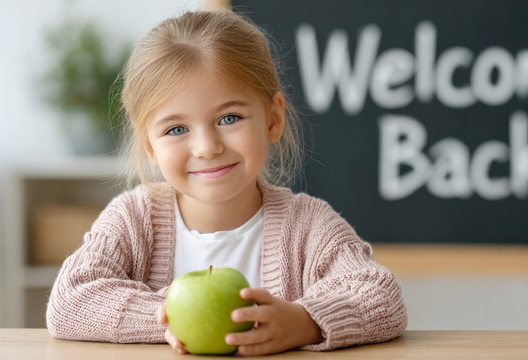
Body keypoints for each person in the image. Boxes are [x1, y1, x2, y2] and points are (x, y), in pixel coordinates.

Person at [46, 9, 407, 356]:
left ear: (272, 119)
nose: (206, 148)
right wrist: (173, 319)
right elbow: (70, 300)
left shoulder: (308, 225)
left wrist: (305, 321)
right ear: (150, 148)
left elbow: (381, 296)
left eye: (229, 117)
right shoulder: (133, 217)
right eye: (176, 129)